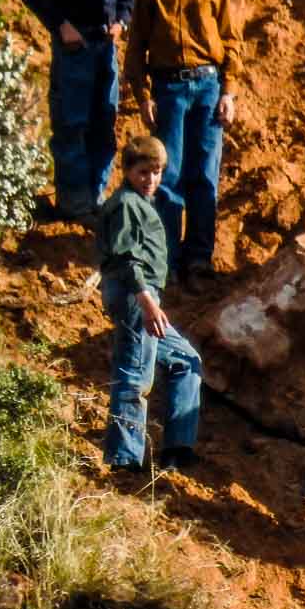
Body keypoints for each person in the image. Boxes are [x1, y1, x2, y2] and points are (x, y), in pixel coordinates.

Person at [123, 0, 244, 289]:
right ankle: (168, 260)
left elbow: (231, 42)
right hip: (169, 90)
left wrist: (229, 91)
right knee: (168, 175)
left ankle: (199, 260)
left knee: (204, 175)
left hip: (208, 87)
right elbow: (136, 48)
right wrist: (143, 96)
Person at [19, 0, 136, 220]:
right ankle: (72, 202)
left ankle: (95, 198)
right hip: (74, 48)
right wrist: (60, 25)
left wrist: (122, 19)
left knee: (104, 121)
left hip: (106, 45)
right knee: (72, 123)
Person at [96, 135, 203, 472]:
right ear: (127, 170)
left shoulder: (141, 202)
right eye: (143, 172)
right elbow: (126, 258)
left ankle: (178, 449)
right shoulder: (127, 204)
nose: (151, 179)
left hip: (143, 295)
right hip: (135, 295)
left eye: (157, 172)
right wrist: (146, 302)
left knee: (186, 359)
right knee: (135, 372)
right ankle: (124, 459)